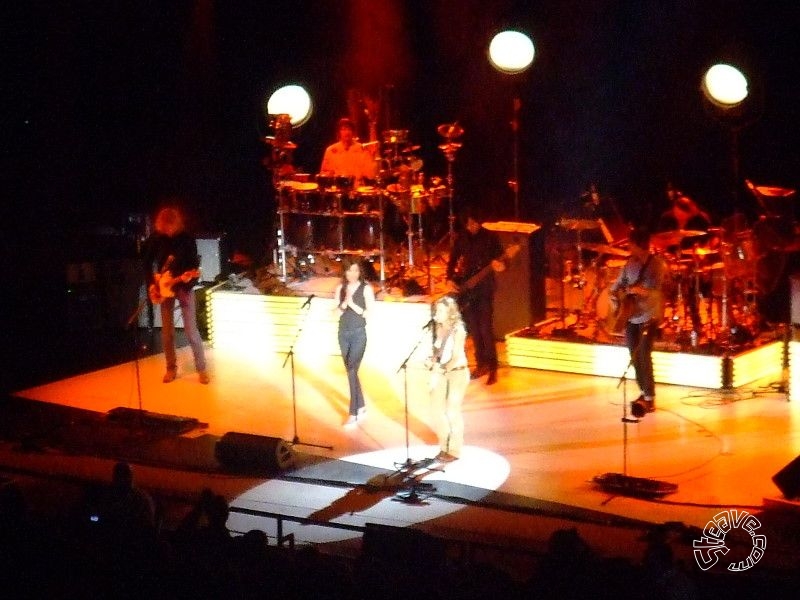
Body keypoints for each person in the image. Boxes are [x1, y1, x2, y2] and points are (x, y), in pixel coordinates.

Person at [141, 205, 209, 384]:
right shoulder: (157, 238)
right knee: (167, 333)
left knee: (191, 331)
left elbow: (194, 265)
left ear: (175, 224)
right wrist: (152, 284)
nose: (167, 231)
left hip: (182, 285)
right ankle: (171, 368)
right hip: (164, 287)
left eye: (169, 227)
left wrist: (188, 279)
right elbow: (147, 263)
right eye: (164, 228)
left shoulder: (186, 239)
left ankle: (201, 368)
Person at [608, 227, 667, 417]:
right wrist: (615, 297)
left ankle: (650, 398)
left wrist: (639, 290)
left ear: (639, 244)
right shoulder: (628, 265)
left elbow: (654, 291)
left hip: (648, 315)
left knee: (644, 354)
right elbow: (616, 287)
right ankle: (643, 392)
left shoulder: (656, 265)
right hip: (631, 315)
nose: (628, 247)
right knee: (633, 355)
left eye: (630, 244)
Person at [446, 208, 505, 385]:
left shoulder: (490, 237)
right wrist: (449, 278)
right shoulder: (461, 238)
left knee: (486, 328)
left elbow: (503, 261)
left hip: (485, 288)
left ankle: (493, 367)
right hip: (468, 289)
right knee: (474, 329)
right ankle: (481, 364)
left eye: (474, 222)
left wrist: (500, 265)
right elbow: (452, 259)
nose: (472, 226)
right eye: (469, 223)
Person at [426, 295, 469, 462]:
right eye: (437, 310)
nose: (438, 313)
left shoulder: (459, 330)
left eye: (441, 310)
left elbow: (456, 356)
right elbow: (438, 352)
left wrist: (441, 370)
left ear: (450, 312)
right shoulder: (437, 328)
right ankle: (444, 446)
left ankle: (454, 449)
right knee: (436, 410)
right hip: (442, 371)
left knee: (452, 411)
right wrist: (432, 361)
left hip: (457, 372)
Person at [334, 257, 376, 426]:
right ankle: (362, 406)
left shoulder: (366, 289)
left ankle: (353, 412)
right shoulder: (340, 288)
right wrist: (344, 304)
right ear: (345, 271)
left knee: (352, 369)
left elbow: (369, 313)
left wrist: (353, 304)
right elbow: (335, 314)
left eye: (356, 270)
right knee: (350, 371)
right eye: (350, 270)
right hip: (343, 333)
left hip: (359, 334)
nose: (353, 274)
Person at [319, 117, 377, 186]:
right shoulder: (331, 150)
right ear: (338, 132)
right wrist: (330, 175)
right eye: (343, 129)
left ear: (353, 132)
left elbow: (370, 175)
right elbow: (323, 173)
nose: (347, 132)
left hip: (357, 188)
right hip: (338, 187)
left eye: (349, 129)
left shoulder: (361, 148)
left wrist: (372, 157)